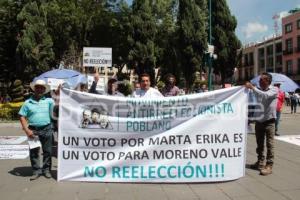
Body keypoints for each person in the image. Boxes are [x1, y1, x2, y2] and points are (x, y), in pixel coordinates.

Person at [18, 79, 54, 180]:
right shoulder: (27, 102)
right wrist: (27, 130)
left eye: (41, 88)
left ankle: (46, 170)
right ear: (34, 89)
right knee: (34, 152)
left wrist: (61, 92)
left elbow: (58, 109)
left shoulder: (49, 101)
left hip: (47, 128)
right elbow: (21, 116)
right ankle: (36, 171)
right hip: (33, 130)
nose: (39, 89)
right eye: (37, 87)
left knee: (48, 152)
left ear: (44, 90)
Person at [245, 72, 277, 176]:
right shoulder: (258, 90)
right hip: (259, 122)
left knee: (270, 144)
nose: (259, 81)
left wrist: (253, 88)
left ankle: (269, 165)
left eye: (261, 79)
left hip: (269, 122)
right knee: (259, 145)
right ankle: (259, 162)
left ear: (267, 81)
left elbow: (265, 96)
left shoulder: (274, 90)